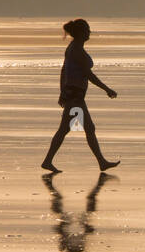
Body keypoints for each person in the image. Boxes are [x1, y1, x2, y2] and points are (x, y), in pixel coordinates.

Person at [42, 18, 120, 172]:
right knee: (73, 129)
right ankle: (48, 161)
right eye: (87, 30)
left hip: (74, 95)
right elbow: (88, 75)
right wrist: (107, 89)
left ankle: (100, 162)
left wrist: (62, 92)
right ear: (81, 33)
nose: (90, 32)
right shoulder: (76, 50)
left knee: (76, 129)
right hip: (75, 96)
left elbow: (63, 71)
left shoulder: (73, 48)